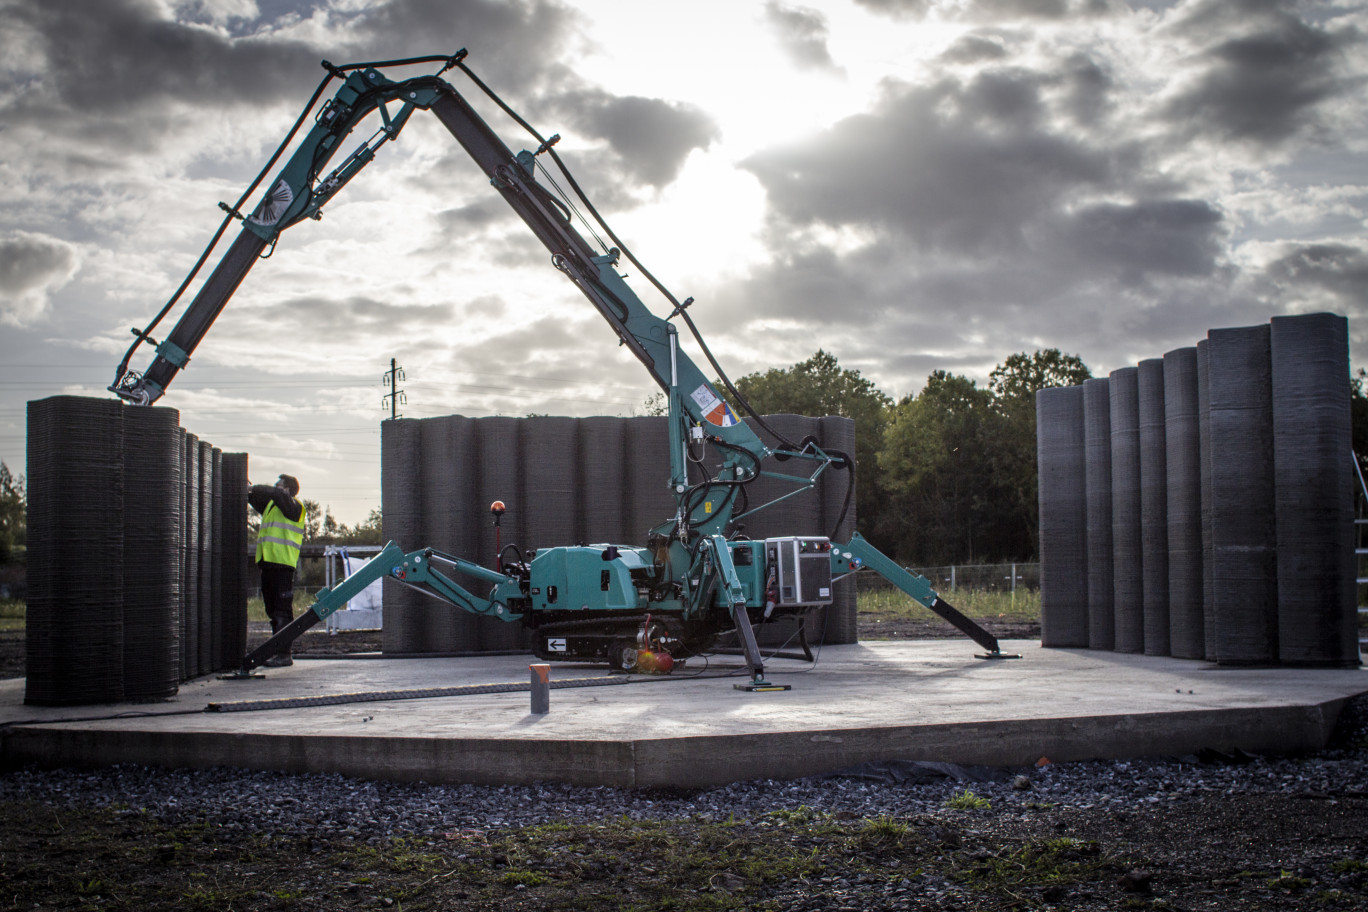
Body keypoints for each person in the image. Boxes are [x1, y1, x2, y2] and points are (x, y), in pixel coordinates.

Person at [249, 473, 306, 667]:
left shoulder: (295, 507)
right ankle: (277, 651)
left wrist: (256, 487)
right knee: (272, 610)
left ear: (287, 489)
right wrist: (248, 490)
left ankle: (284, 654)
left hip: (283, 565)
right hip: (268, 564)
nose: (274, 488)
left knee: (282, 611)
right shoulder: (273, 507)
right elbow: (257, 500)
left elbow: (276, 495)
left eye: (278, 485)